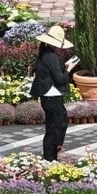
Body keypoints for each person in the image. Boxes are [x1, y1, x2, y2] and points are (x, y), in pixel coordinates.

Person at [29, 24, 78, 161]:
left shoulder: (45, 53)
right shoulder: (51, 56)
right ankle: (50, 158)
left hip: (51, 95)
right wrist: (69, 68)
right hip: (51, 96)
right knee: (54, 127)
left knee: (60, 121)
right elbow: (60, 78)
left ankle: (55, 149)